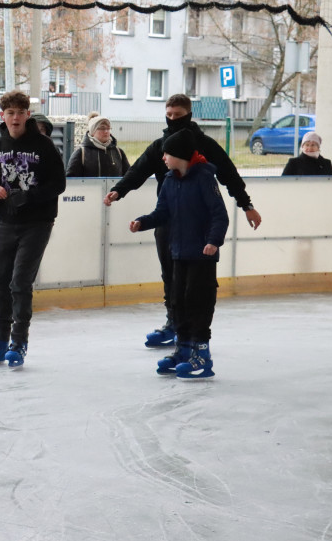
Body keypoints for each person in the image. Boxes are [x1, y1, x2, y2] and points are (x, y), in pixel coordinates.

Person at [104, 93, 261, 348]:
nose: (172, 119)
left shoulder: (204, 144)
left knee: (196, 283)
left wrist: (247, 205)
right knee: (171, 275)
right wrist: (119, 190)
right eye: (168, 115)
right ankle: (174, 323)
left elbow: (229, 174)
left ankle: (194, 335)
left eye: (177, 115)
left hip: (197, 225)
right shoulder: (160, 146)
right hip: (168, 219)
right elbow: (138, 170)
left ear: (188, 113)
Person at [0, 91, 67, 367]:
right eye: (10, 113)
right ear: (3, 116)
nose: (15, 118)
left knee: (20, 282)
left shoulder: (45, 146)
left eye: (20, 113)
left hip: (37, 223)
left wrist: (30, 196)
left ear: (27, 115)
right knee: (1, 281)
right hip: (6, 222)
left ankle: (18, 341)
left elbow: (58, 184)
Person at [130, 130, 229, 379]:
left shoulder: (205, 179)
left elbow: (220, 215)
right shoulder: (170, 181)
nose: (163, 158)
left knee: (199, 302)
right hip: (178, 253)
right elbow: (162, 213)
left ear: (180, 156)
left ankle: (201, 355)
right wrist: (143, 222)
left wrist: (213, 241)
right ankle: (183, 349)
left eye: (167, 154)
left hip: (201, 255)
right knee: (178, 302)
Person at [66, 111, 131, 177]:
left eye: (108, 128)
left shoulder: (118, 152)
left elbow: (129, 177)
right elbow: (71, 181)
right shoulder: (81, 153)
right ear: (92, 132)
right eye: (102, 128)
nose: (106, 131)